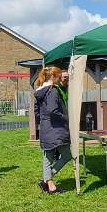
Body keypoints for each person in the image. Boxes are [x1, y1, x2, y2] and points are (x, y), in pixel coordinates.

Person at [35, 65, 70, 193]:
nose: (61, 78)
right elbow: (53, 109)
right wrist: (66, 117)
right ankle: (50, 185)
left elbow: (37, 111)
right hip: (56, 128)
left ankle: (47, 179)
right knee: (60, 156)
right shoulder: (52, 90)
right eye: (59, 76)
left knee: (50, 157)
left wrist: (43, 122)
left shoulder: (40, 90)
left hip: (47, 127)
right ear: (54, 76)